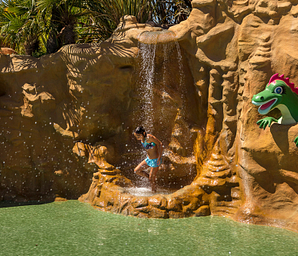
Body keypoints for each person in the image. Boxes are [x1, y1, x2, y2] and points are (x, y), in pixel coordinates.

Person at [133, 126, 163, 192]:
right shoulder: (142, 139)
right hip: (148, 159)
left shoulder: (149, 137)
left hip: (155, 160)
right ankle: (151, 177)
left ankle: (154, 192)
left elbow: (160, 144)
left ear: (143, 133)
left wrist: (159, 157)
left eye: (138, 136)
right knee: (136, 171)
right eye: (136, 136)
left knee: (151, 179)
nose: (137, 138)